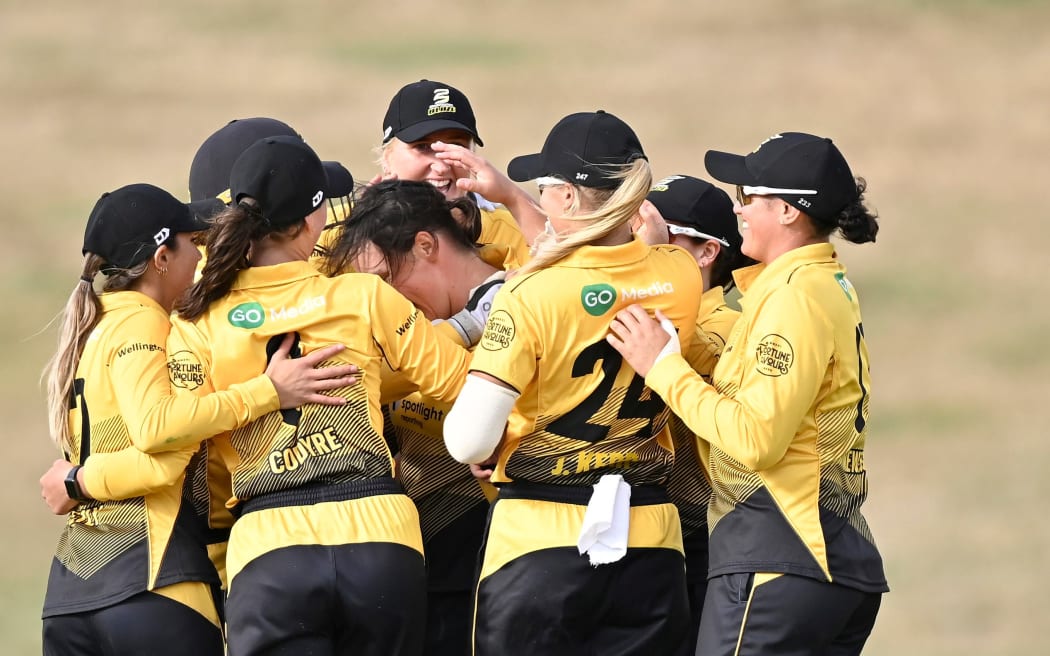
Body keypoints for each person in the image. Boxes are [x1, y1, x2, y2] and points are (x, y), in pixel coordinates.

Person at [172, 135, 473, 655]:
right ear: (315, 220)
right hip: (382, 539)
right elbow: (461, 387)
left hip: (270, 547)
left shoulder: (198, 317)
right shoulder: (362, 294)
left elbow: (177, 428)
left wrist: (262, 393)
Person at [39, 184, 354, 655]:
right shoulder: (145, 321)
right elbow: (159, 447)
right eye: (194, 242)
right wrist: (267, 391)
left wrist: (78, 480)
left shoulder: (90, 328)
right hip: (152, 583)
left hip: (70, 597)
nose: (203, 255)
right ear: (161, 257)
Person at [607, 132, 887, 656]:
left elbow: (755, 436)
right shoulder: (818, 284)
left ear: (786, 211)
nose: (738, 210)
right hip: (824, 557)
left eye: (747, 198)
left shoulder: (792, 299)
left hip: (778, 557)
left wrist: (661, 368)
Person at [442, 110, 702, 656]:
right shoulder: (678, 272)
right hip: (651, 534)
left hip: (540, 539)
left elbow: (469, 441)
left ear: (563, 198)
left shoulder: (530, 294)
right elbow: (620, 267)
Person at [325, 179, 507, 655]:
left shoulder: (520, 297)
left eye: (386, 279)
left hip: (486, 539)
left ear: (426, 244)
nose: (386, 301)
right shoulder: (426, 326)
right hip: (407, 551)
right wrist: (458, 329)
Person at [644, 174, 754, 655]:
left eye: (664, 235)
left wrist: (649, 269)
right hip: (647, 526)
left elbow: (686, 352)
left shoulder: (729, 324)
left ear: (708, 252)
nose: (642, 242)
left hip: (702, 534)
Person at [377, 79, 531, 267]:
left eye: (455, 146)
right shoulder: (343, 233)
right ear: (387, 157)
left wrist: (515, 198)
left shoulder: (517, 234)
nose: (442, 166)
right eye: (423, 147)